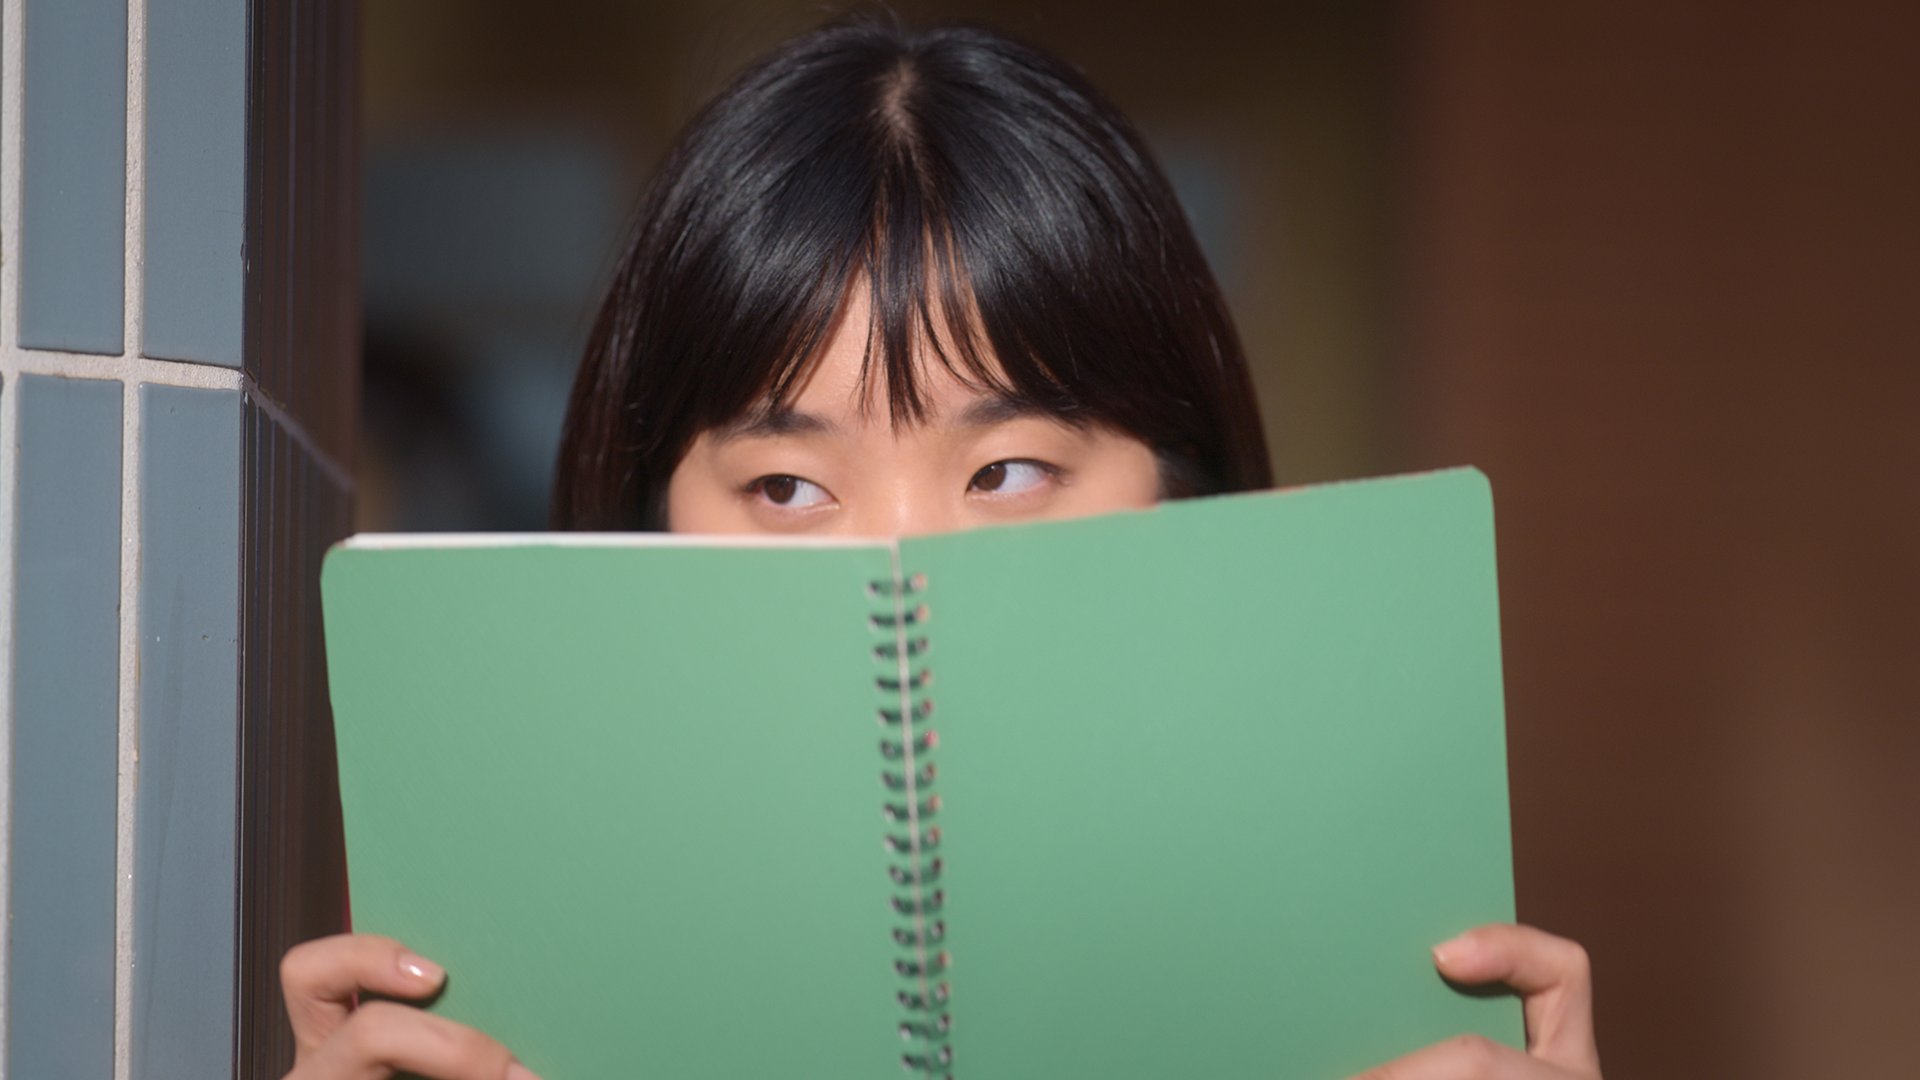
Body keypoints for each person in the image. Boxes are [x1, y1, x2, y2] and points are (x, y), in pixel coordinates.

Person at [282, 16, 1602, 1080]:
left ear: (1181, 494)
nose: (905, 564)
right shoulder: (520, 994)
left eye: (1008, 471)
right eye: (791, 487)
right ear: (649, 514)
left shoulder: (1346, 991)